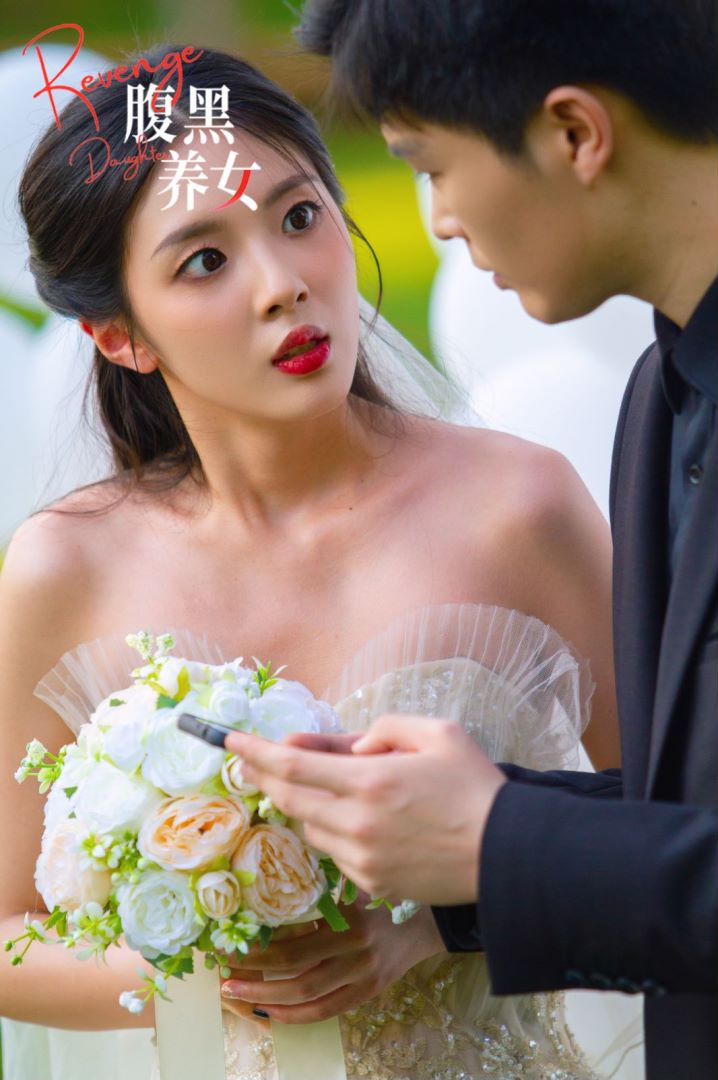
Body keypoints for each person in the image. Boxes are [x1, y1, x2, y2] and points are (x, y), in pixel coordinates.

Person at [0, 41, 636, 1080]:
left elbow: (669, 842)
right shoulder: (65, 568)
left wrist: (442, 930)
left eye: (299, 217)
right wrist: (192, 966)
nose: (284, 286)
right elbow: (9, 932)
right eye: (204, 262)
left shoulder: (521, 508)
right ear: (119, 335)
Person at [222, 3, 718, 1079]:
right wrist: (460, 856)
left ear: (575, 134)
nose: (439, 221)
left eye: (430, 166)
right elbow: (681, 806)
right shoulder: (662, 394)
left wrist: (500, 838)